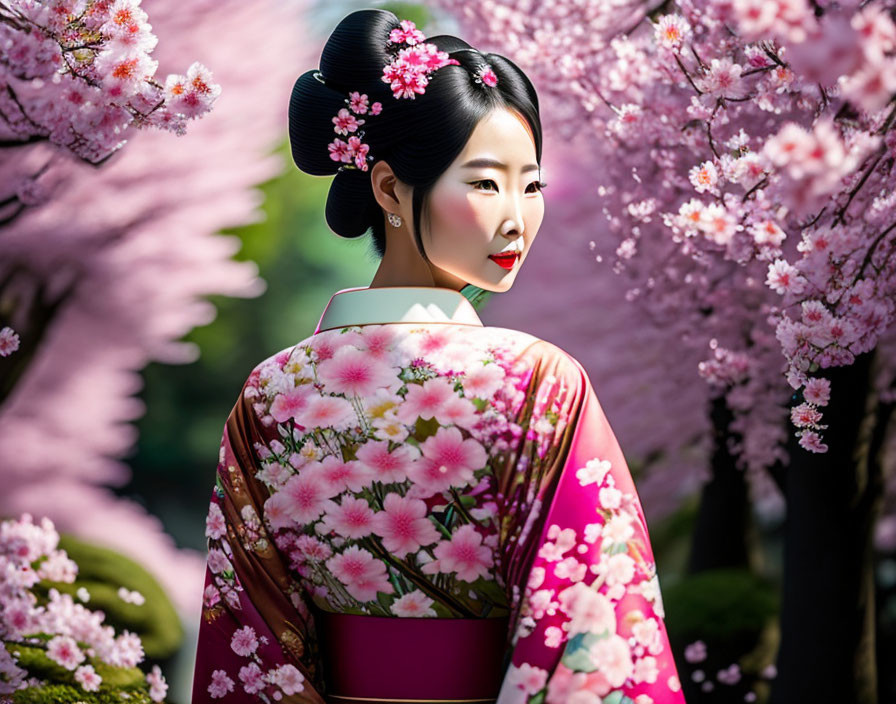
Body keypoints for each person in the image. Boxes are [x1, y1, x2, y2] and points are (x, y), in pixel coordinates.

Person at [191, 8, 687, 704]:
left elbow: (247, 632)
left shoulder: (271, 394)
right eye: (486, 183)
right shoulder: (538, 383)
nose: (516, 216)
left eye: (531, 184)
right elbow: (592, 615)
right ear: (391, 188)